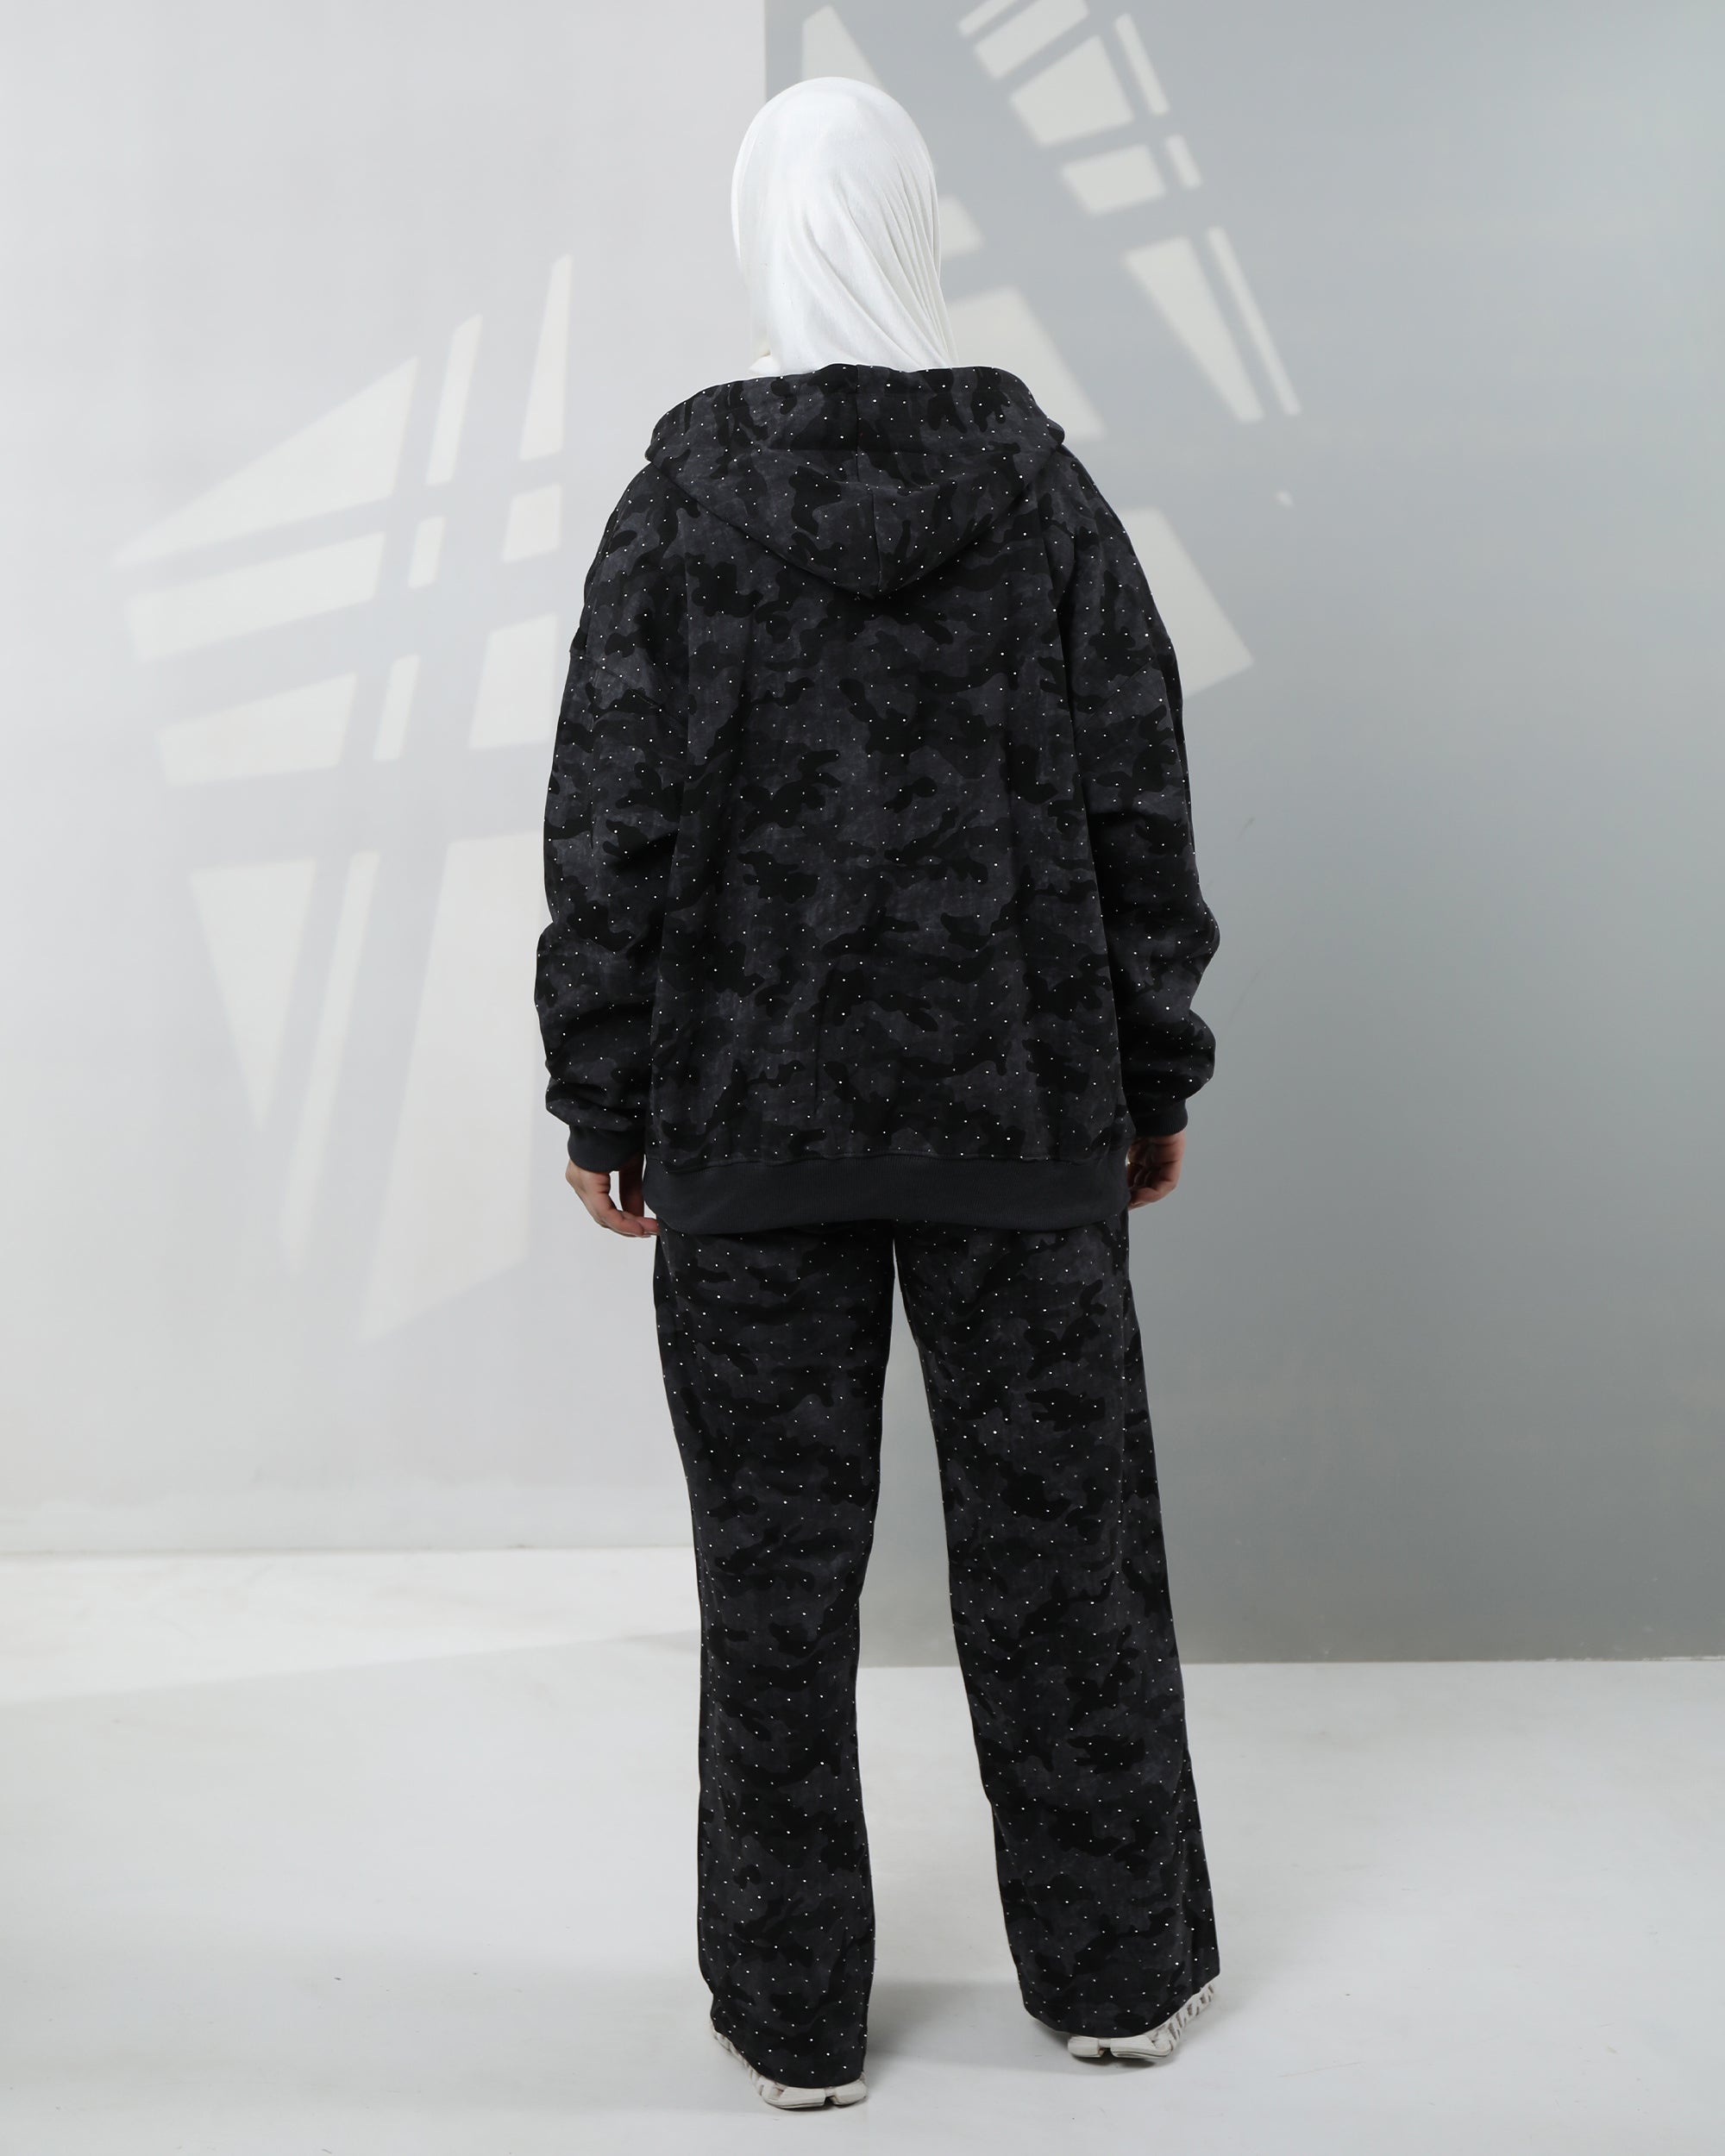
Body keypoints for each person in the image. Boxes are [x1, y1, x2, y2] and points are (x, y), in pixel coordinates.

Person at [534, 75, 1222, 2114]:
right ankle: (1115, 1977)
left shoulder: (676, 511)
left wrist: (601, 1094)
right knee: (1065, 1565)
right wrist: (1150, 1063)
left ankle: (791, 2017)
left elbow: (609, 822)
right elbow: (1137, 797)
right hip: (1025, 1118)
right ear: (917, 221)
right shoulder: (1049, 502)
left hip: (745, 1130)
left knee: (772, 1587)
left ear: (765, 231)